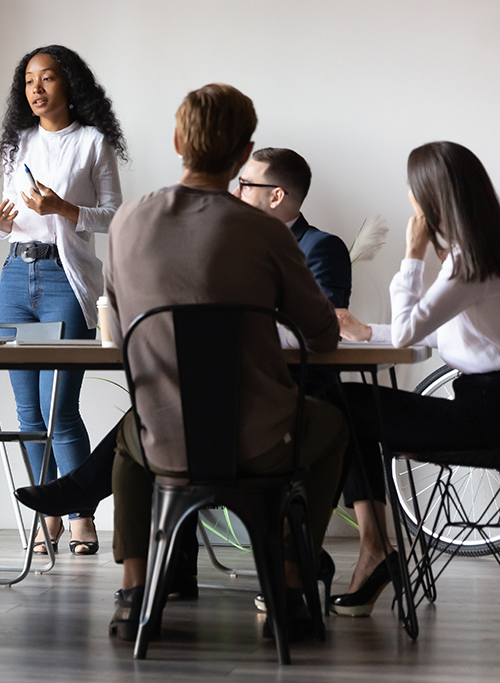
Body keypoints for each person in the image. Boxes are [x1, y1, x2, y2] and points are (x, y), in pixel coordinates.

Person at [103, 83, 347, 642]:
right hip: (261, 443)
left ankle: (135, 591)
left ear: (175, 140)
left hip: (165, 441)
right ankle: (288, 586)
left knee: (127, 438)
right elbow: (323, 335)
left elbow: (119, 330)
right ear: (243, 154)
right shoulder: (264, 231)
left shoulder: (127, 223)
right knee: (332, 426)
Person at [330, 141, 500, 617]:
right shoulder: (479, 255)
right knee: (348, 404)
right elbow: (437, 335)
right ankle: (374, 549)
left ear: (427, 197)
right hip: (481, 407)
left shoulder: (467, 262)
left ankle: (373, 549)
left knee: (341, 402)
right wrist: (367, 333)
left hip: (483, 417)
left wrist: (412, 254)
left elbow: (411, 331)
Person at [0, 45, 126, 556]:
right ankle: (50, 513)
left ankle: (81, 512)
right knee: (27, 413)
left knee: (59, 409)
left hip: (65, 280)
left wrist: (63, 207)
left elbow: (113, 214)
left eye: (46, 79)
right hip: (15, 278)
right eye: (27, 81)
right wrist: (0, 223)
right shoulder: (15, 145)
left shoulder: (92, 143)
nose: (35, 89)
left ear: (69, 84)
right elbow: (12, 223)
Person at [233, 147, 351, 308]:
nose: (235, 194)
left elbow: (322, 325)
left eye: (245, 185)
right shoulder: (234, 244)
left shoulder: (322, 248)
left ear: (276, 197)